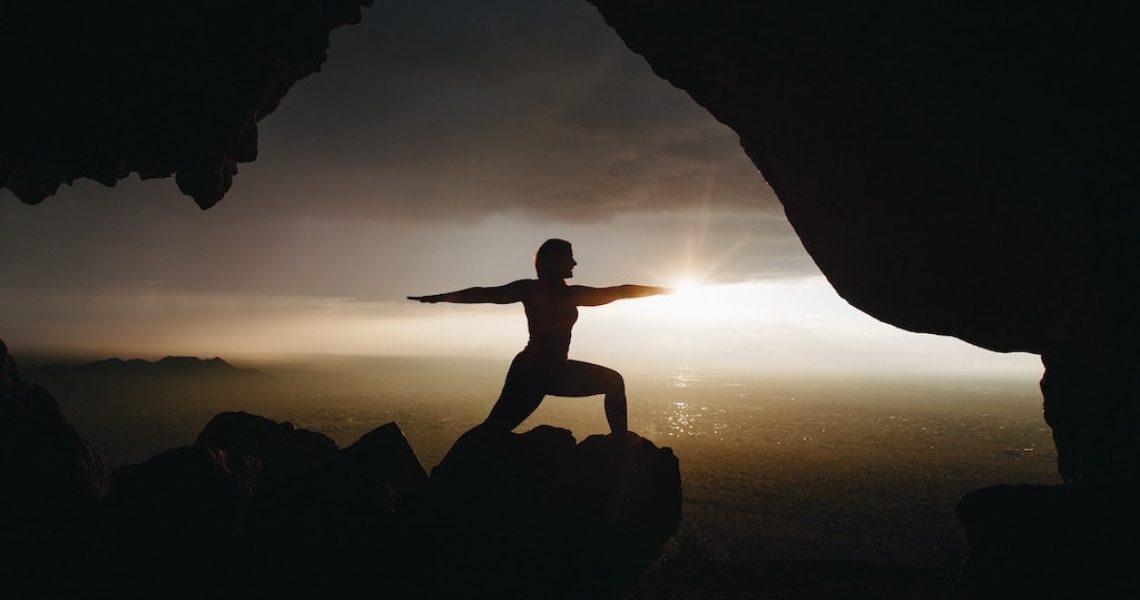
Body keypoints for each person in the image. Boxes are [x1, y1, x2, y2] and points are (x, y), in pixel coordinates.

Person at [408, 239, 669, 435]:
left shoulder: (534, 289)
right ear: (555, 261)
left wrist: (439, 297)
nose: (575, 263)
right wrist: (666, 290)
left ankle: (457, 466)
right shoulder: (564, 294)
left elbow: (486, 293)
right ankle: (620, 443)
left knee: (495, 426)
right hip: (543, 372)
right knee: (613, 382)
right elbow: (620, 292)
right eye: (570, 258)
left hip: (532, 368)